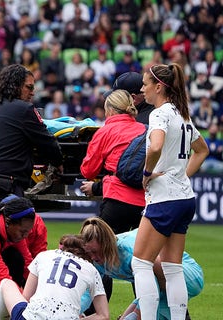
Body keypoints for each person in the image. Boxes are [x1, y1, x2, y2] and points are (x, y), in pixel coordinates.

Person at [132, 63, 209, 320]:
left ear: (158, 86)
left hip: (164, 199)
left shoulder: (159, 114)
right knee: (172, 268)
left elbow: (155, 147)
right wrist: (181, 175)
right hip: (185, 198)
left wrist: (146, 174)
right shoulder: (183, 114)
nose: (141, 89)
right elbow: (202, 150)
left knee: (140, 264)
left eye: (144, 84)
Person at [0, 64, 63, 205]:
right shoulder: (24, 109)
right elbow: (47, 143)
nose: (32, 93)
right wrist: (58, 163)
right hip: (4, 188)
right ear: (15, 86)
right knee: (17, 227)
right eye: (28, 87)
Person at [79, 217, 204, 320]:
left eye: (96, 252)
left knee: (151, 264)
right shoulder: (95, 260)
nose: (93, 257)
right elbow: (88, 291)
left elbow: (150, 293)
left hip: (187, 275)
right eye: (89, 253)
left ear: (107, 245)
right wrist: (72, 310)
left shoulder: (128, 252)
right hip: (160, 287)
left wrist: (135, 315)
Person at [0, 234, 109, 320]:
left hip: (30, 317)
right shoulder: (91, 269)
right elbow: (104, 315)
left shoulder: (44, 255)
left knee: (6, 283)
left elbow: (26, 298)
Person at [81, 89, 146, 234]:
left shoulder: (105, 131)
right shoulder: (145, 129)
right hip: (145, 202)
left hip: (116, 199)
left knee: (102, 251)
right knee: (140, 255)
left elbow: (88, 171)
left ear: (109, 110)